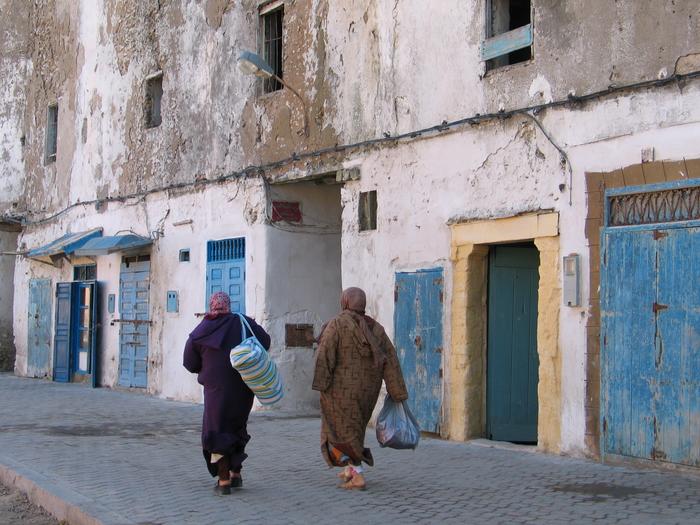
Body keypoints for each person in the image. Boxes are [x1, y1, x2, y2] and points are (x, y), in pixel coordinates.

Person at [312, 287, 408, 490]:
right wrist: (396, 389)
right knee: (355, 429)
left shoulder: (337, 324)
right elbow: (390, 359)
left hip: (340, 391)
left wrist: (321, 385)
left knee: (340, 431)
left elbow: (324, 355)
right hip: (368, 392)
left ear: (345, 301)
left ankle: (357, 475)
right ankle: (349, 468)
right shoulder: (376, 328)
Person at [183, 292, 271, 496]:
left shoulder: (202, 330)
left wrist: (206, 368)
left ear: (211, 306)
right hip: (243, 388)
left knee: (216, 432)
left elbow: (189, 362)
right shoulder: (242, 322)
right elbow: (265, 342)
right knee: (237, 428)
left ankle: (223, 482)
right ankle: (235, 475)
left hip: (216, 392)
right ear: (228, 306)